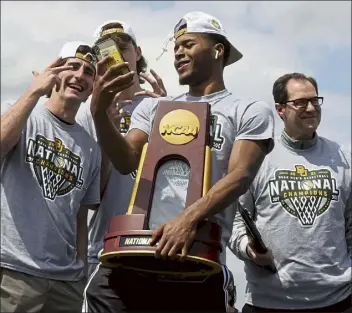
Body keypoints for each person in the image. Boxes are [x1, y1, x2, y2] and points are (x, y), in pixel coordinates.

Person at [89, 11, 275, 312]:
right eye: (176, 47)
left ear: (218, 50)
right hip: (134, 256)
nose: (178, 52)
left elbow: (241, 176)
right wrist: (99, 114)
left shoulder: (249, 111)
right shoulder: (153, 108)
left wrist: (187, 220)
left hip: (196, 260)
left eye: (188, 44)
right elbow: (126, 162)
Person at [230, 73, 352, 313]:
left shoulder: (344, 158)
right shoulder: (257, 158)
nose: (310, 107)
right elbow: (235, 222)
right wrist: (248, 248)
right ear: (280, 109)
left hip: (337, 301)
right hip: (268, 303)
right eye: (300, 102)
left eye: (315, 101)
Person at [0, 42, 103, 313]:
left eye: (89, 72)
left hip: (65, 284)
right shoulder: (21, 112)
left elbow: (82, 215)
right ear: (55, 71)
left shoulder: (91, 148)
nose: (80, 75)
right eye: (73, 66)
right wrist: (34, 90)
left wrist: (80, 269)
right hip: (14, 273)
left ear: (93, 87)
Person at [77, 20, 167, 311]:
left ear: (137, 52)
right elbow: (87, 199)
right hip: (105, 248)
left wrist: (172, 114)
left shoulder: (166, 105)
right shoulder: (88, 115)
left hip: (157, 248)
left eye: (122, 46)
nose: (114, 54)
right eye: (105, 50)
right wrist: (104, 125)